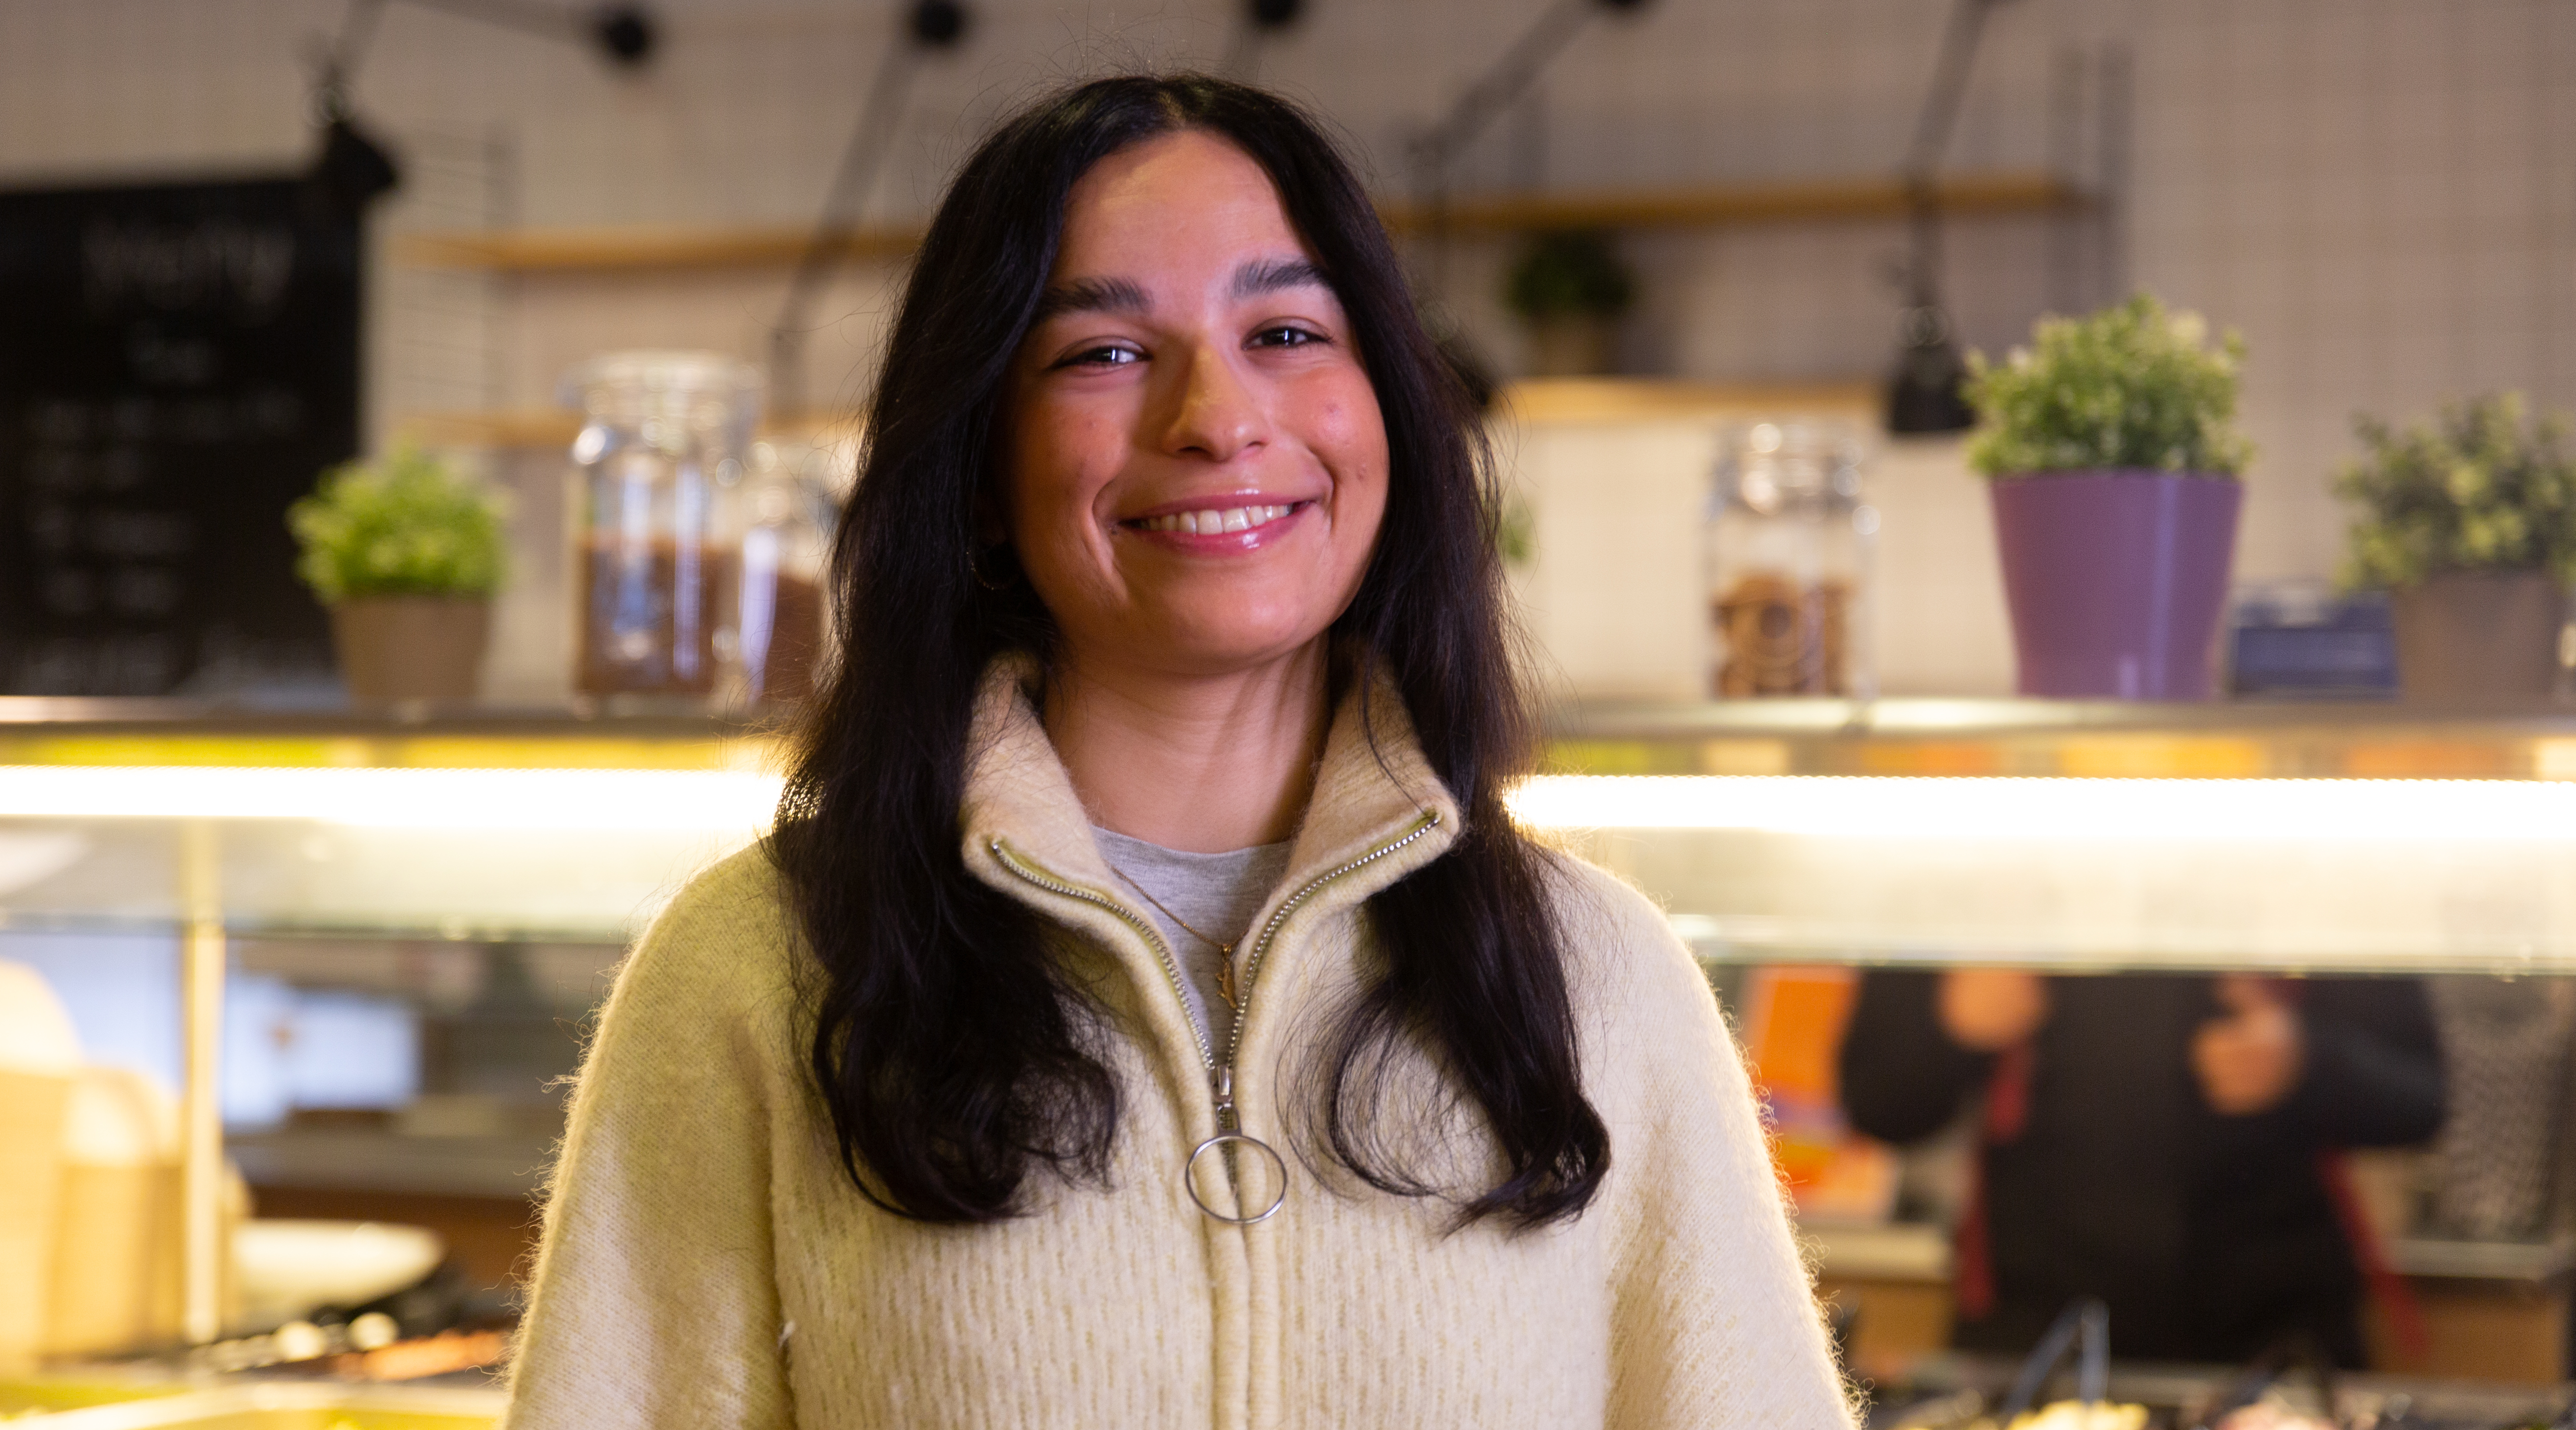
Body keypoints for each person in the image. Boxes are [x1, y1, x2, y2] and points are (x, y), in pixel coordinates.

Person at [504, 74, 1851, 1429]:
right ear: (978, 468)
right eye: (1104, 352)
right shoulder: (760, 970)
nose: (1216, 416)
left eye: (1286, 330)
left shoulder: (1597, 982)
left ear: (1386, 417)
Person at [1837, 969, 2444, 1367]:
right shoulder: (1978, 825)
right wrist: (1949, 1024)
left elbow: (2424, 1100)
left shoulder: (2306, 831)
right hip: (2031, 1340)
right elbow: (1875, 1101)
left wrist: (2307, 1059)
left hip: (2274, 1338)